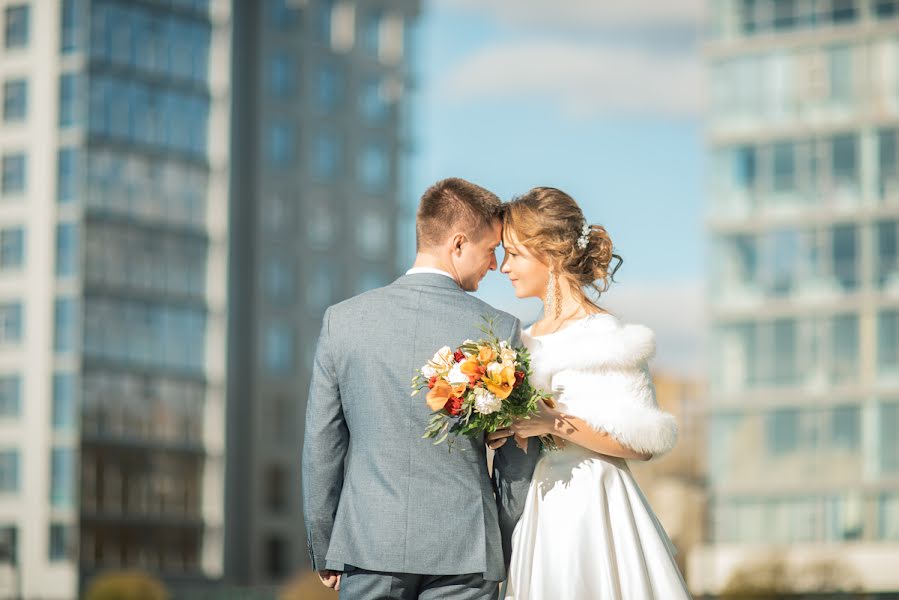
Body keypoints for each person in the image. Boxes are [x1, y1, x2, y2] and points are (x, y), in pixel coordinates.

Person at [302, 178, 540, 600]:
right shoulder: (500, 329)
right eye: (490, 250)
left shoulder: (343, 322)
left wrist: (326, 546)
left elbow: (322, 445)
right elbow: (516, 457)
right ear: (459, 244)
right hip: (466, 551)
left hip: (367, 544)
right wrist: (499, 543)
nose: (493, 265)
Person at [494, 187, 692, 599]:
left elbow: (641, 444)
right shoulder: (521, 341)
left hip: (595, 504)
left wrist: (552, 423)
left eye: (513, 254)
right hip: (541, 508)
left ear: (547, 253)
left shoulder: (608, 337)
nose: (503, 267)